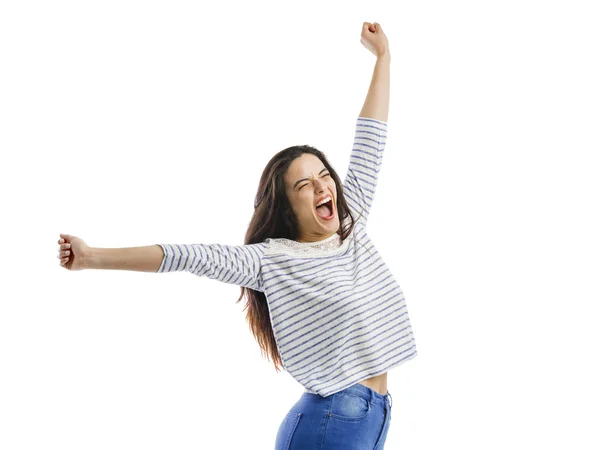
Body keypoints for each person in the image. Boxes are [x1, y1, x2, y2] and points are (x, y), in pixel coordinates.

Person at [56, 21, 416, 450]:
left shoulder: (349, 225)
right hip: (330, 424)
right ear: (287, 208)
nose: (322, 188)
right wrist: (93, 256)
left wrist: (383, 58)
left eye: (324, 176)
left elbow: (370, 139)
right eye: (304, 186)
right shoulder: (272, 260)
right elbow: (189, 256)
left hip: (368, 417)